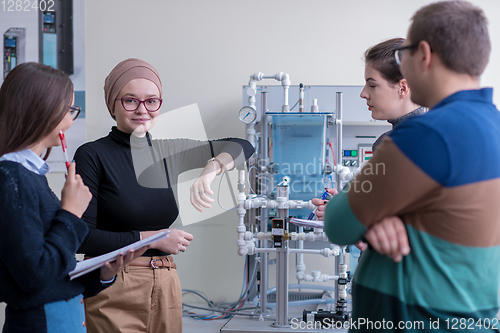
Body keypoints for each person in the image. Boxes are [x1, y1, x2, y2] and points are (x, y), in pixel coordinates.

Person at [322, 1, 500, 331]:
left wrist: (366, 215)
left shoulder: (427, 136)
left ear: (425, 55)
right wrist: (376, 217)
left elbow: (338, 222)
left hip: (415, 320)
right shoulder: (493, 124)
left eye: (404, 56)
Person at [74, 58, 254, 333]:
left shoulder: (169, 152)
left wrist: (210, 170)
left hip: (166, 281)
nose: (142, 110)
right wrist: (153, 238)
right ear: (113, 103)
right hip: (113, 284)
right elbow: (82, 237)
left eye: (151, 101)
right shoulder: (92, 155)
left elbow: (242, 145)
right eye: (130, 100)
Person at [0, 62, 146, 333]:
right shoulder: (13, 178)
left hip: (61, 317)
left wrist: (101, 274)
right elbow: (34, 276)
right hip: (42, 323)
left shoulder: (29, 175)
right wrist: (70, 213)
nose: (71, 120)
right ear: (42, 110)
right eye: (69, 110)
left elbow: (53, 269)